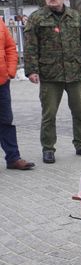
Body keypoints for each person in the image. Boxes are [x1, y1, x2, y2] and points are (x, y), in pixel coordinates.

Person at [24, 0, 81, 164]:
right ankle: (48, 148)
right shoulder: (37, 18)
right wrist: (31, 71)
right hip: (50, 75)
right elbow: (30, 47)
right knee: (49, 114)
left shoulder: (75, 16)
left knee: (79, 112)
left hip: (74, 73)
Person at [1, 18, 35, 171]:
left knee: (6, 120)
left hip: (2, 82)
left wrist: (10, 71)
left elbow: (9, 47)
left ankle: (13, 158)